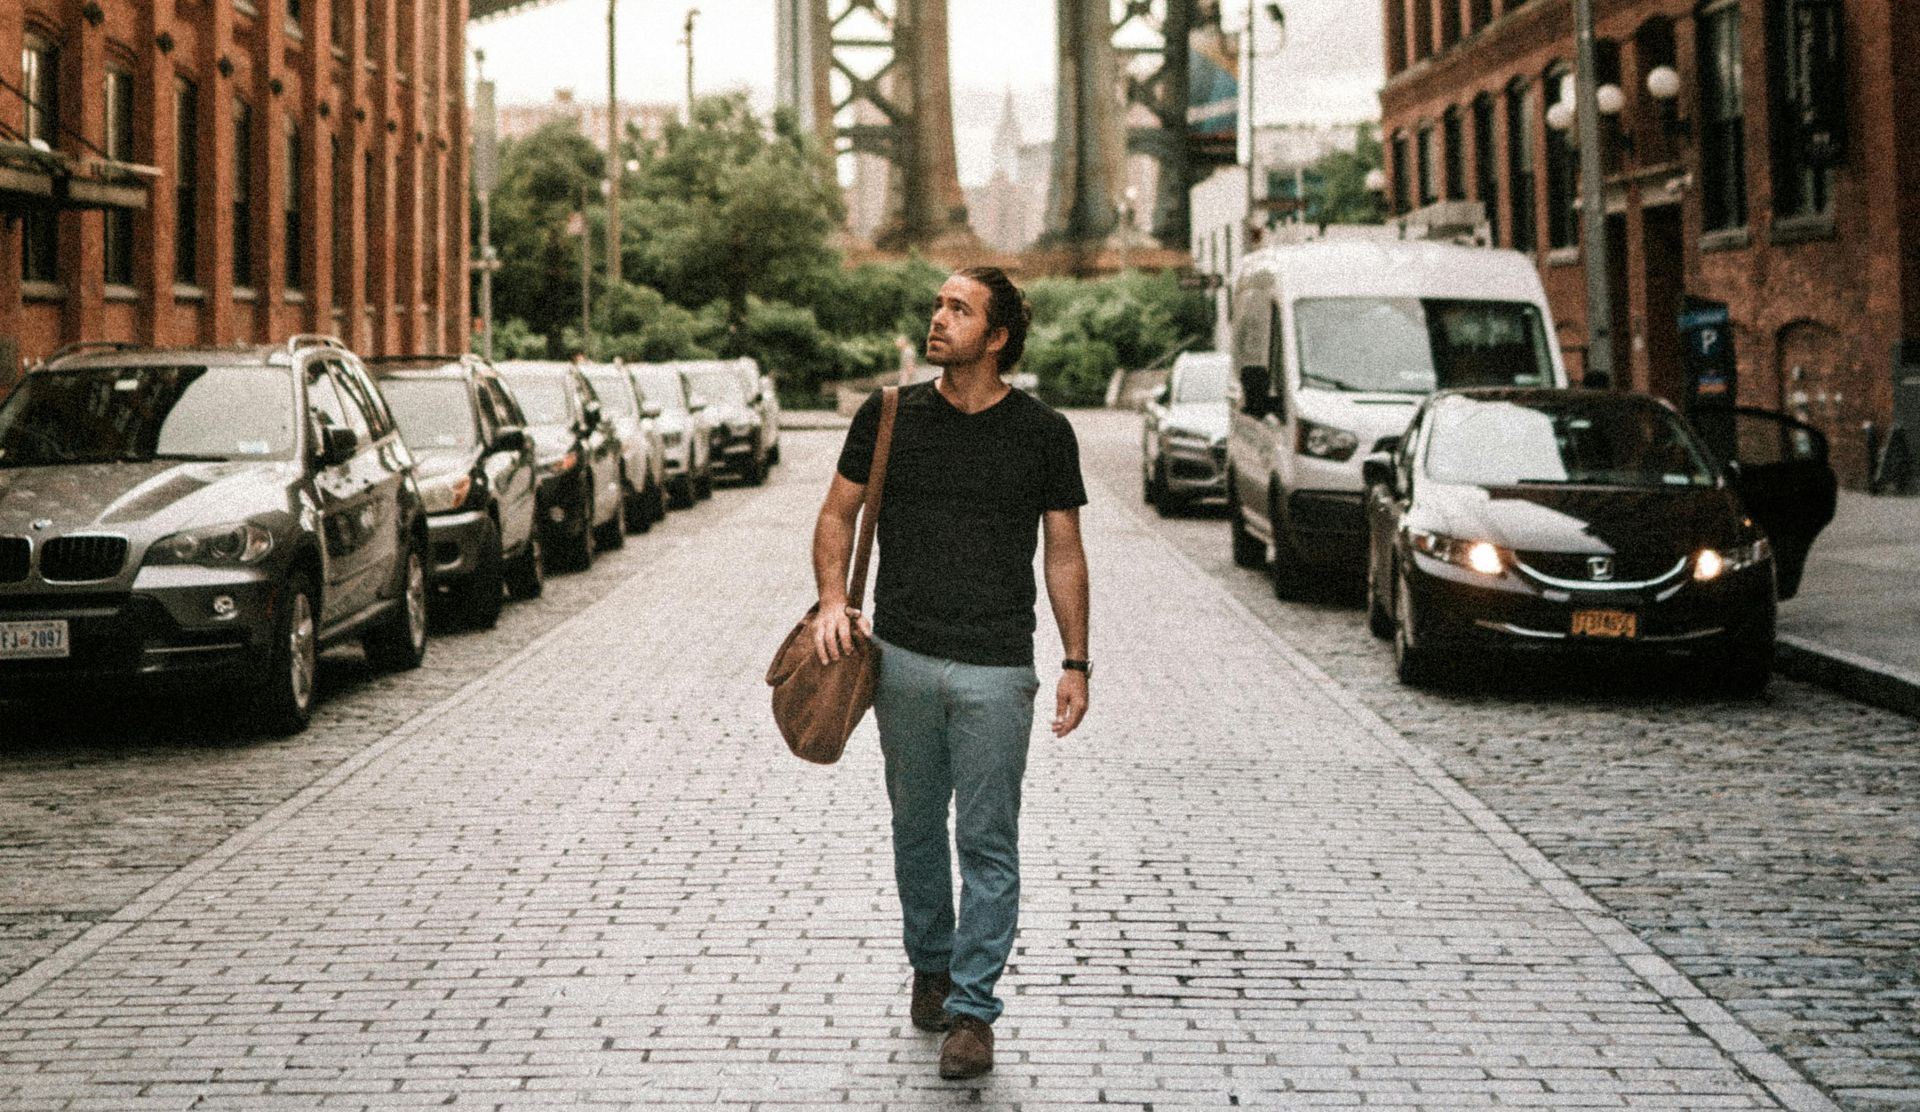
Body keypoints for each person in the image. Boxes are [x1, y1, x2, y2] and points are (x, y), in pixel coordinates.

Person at [811, 266, 1091, 1080]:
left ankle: (972, 1010)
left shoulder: (1043, 432)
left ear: (997, 337)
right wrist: (834, 601)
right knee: (914, 830)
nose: (938, 319)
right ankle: (931, 962)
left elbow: (1064, 551)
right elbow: (837, 512)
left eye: (958, 309)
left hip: (998, 669)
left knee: (988, 839)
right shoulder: (891, 414)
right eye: (937, 304)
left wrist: (1075, 662)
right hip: (901, 659)